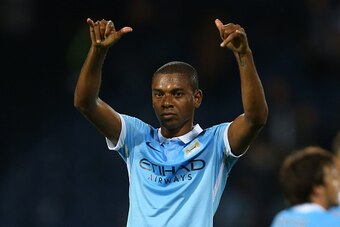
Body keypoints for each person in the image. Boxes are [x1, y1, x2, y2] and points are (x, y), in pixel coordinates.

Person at [74, 17, 268, 227]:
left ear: (197, 98)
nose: (166, 102)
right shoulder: (136, 137)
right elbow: (86, 103)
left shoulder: (216, 143)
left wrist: (243, 55)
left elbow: (255, 118)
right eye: (158, 94)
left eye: (176, 94)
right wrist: (97, 52)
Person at [270, 146, 340, 227]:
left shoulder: (281, 219)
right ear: (318, 188)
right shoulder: (333, 222)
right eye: (334, 178)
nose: (338, 183)